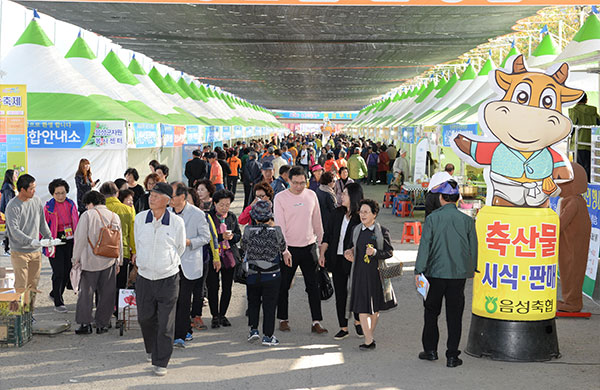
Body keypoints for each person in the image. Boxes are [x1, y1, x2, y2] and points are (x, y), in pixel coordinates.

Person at [414, 180, 477, 368]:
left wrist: (419, 270)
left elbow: (425, 246)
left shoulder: (432, 219)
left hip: (435, 273)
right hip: (458, 275)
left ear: (441, 198)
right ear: (457, 199)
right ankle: (452, 356)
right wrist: (471, 268)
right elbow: (473, 247)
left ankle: (430, 351)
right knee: (454, 315)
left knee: (431, 313)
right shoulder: (467, 220)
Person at [134, 182, 186, 376]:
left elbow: (179, 247)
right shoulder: (140, 219)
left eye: (156, 196)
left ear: (167, 201)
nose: (151, 198)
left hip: (168, 278)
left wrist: (167, 263)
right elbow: (137, 243)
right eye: (151, 195)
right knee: (145, 318)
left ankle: (161, 361)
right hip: (145, 277)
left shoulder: (176, 223)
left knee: (165, 322)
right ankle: (151, 348)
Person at [274, 166, 327, 334]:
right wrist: (284, 250)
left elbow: (318, 222)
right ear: (288, 181)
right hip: (288, 249)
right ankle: (283, 319)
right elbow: (279, 227)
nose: (299, 186)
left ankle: (316, 321)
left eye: (302, 183)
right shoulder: (280, 198)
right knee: (284, 285)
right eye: (295, 183)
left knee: (313, 286)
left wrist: (322, 248)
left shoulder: (312, 195)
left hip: (309, 247)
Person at [345, 199, 396, 351]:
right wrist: (350, 252)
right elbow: (353, 247)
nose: (363, 215)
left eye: (366, 212)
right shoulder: (356, 230)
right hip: (359, 273)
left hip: (376, 274)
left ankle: (369, 336)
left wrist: (375, 253)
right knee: (361, 307)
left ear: (374, 214)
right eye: (361, 212)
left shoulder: (382, 231)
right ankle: (369, 340)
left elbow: (389, 252)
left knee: (375, 308)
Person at [72, 190, 122, 335]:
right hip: (110, 260)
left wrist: (75, 259)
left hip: (90, 261)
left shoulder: (88, 215)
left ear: (91, 203)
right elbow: (118, 240)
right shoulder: (115, 216)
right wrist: (118, 260)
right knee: (107, 293)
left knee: (86, 293)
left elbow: (80, 239)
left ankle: (85, 324)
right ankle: (103, 324)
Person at [242, 200, 291, 346]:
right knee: (269, 305)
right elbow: (283, 247)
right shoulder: (276, 231)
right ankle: (268, 336)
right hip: (272, 274)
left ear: (255, 217)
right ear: (270, 216)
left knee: (253, 302)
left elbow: (243, 247)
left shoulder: (248, 231)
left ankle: (253, 330)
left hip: (253, 273)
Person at [319, 183, 364, 339]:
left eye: (344, 193)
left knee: (356, 292)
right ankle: (343, 327)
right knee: (340, 294)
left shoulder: (361, 217)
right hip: (336, 259)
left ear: (353, 196)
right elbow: (328, 235)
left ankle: (358, 321)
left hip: (354, 261)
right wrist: (322, 253)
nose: (341, 196)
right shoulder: (336, 213)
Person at [170, 182, 211, 348]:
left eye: (171, 196)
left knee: (184, 299)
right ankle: (184, 329)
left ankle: (179, 335)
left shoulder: (197, 214)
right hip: (170, 262)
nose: (169, 200)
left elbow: (205, 237)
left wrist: (189, 242)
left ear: (182, 196)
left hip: (188, 261)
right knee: (173, 299)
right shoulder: (166, 213)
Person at [5, 174, 53, 309]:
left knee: (33, 286)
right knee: (21, 286)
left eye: (34, 188)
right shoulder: (12, 206)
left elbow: (42, 223)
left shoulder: (36, 201)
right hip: (19, 252)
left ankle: (29, 314)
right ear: (22, 189)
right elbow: (14, 230)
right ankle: (18, 317)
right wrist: (30, 240)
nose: (34, 191)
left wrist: (49, 238)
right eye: (31, 189)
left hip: (36, 252)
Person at [99, 181, 136, 316]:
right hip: (123, 252)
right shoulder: (128, 209)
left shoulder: (98, 210)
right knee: (120, 285)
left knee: (103, 285)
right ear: (118, 193)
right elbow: (132, 233)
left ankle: (103, 312)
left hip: (101, 252)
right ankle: (119, 312)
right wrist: (134, 251)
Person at [207, 189, 241, 328]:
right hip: (213, 256)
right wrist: (221, 237)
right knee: (213, 287)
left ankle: (223, 314)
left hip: (229, 256)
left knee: (227, 287)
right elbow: (207, 237)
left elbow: (239, 235)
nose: (225, 207)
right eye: (222, 204)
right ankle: (214, 315)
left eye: (227, 204)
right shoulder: (208, 217)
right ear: (214, 203)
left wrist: (232, 237)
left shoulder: (231, 217)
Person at [44, 179, 79, 313]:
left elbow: (76, 221)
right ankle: (58, 301)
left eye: (63, 193)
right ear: (52, 194)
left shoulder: (71, 204)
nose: (60, 196)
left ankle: (54, 293)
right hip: (54, 241)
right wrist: (46, 241)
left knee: (67, 270)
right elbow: (43, 226)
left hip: (69, 239)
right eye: (57, 193)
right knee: (58, 272)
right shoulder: (48, 207)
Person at [569, 93, 600, 180]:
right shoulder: (593, 111)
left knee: (579, 168)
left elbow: (571, 127)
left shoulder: (574, 111)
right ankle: (589, 187)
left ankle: (580, 188)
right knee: (590, 168)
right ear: (586, 100)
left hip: (578, 143)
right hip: (592, 143)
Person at [1, 169, 18, 255]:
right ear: (11, 176)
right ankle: (6, 249)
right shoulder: (8, 187)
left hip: (10, 211)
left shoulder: (10, 186)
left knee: (10, 229)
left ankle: (6, 244)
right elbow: (8, 201)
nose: (16, 176)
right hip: (9, 211)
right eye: (15, 174)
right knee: (10, 230)